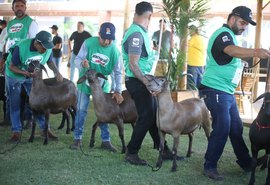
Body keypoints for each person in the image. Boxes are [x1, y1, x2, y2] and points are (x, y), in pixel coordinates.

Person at [199, 6, 270, 181]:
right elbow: (230, 50)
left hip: (225, 91)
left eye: (246, 24)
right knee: (223, 126)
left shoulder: (231, 37)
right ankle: (209, 165)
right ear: (232, 18)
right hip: (215, 89)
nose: (244, 27)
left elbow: (229, 57)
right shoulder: (223, 34)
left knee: (236, 128)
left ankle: (247, 162)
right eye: (242, 22)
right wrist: (255, 52)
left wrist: (240, 64)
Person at [122, 1, 178, 166]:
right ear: (150, 16)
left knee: (153, 115)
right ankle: (131, 152)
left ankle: (164, 150)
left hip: (141, 80)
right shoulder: (136, 35)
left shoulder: (139, 32)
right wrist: (148, 83)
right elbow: (133, 64)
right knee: (146, 117)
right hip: (138, 81)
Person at [70, 22, 123, 152]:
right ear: (99, 34)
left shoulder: (115, 51)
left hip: (103, 85)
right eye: (104, 38)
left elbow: (117, 72)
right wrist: (82, 63)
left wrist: (118, 90)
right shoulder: (88, 43)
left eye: (110, 39)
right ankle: (77, 138)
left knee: (103, 112)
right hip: (85, 82)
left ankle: (106, 141)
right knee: (81, 110)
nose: (106, 41)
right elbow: (76, 60)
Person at [5, 30, 63, 142]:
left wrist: (57, 72)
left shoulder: (48, 47)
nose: (46, 50)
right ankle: (16, 131)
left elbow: (50, 62)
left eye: (47, 47)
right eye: (43, 47)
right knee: (15, 102)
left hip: (32, 76)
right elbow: (12, 66)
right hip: (14, 75)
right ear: (36, 43)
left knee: (39, 101)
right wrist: (25, 73)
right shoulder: (21, 47)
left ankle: (44, 129)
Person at [0, 0, 39, 127]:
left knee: (28, 94)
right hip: (11, 63)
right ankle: (9, 119)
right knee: (10, 94)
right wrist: (3, 61)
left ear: (25, 8)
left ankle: (28, 119)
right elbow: (5, 43)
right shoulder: (9, 24)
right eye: (17, 6)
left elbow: (34, 44)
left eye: (22, 6)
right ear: (13, 8)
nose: (19, 8)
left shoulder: (31, 23)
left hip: (26, 63)